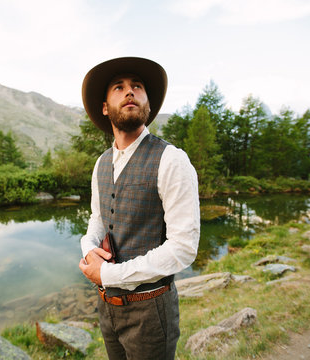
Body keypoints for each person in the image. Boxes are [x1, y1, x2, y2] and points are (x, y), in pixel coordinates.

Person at [78, 57, 200, 360]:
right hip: (106, 308)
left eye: (137, 87)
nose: (129, 92)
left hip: (151, 311)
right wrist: (87, 246)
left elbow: (184, 248)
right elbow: (97, 219)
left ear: (147, 103)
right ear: (105, 107)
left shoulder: (172, 159)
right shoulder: (101, 163)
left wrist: (110, 274)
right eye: (119, 87)